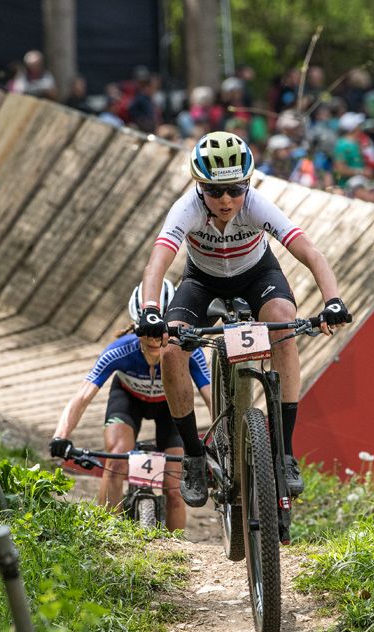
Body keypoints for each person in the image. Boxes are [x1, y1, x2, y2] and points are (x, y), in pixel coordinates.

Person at [135, 131, 349, 506]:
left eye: (235, 189)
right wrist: (152, 311)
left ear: (247, 184)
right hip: (201, 280)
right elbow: (159, 260)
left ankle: (284, 452)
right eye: (215, 191)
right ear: (199, 187)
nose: (226, 200)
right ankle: (194, 456)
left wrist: (332, 301)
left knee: (284, 322)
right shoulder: (187, 209)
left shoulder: (256, 205)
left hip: (257, 275)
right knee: (171, 351)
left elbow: (311, 252)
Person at [50, 281, 212, 531]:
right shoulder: (119, 351)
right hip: (128, 401)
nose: (154, 340)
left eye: (161, 333)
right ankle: (104, 532)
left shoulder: (188, 352)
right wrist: (61, 436)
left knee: (176, 485)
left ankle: (177, 551)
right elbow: (82, 396)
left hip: (171, 409)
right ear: (136, 327)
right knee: (116, 460)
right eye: (146, 333)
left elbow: (210, 396)